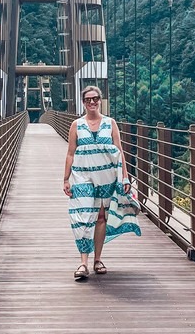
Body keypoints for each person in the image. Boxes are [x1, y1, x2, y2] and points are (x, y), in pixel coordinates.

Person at [62, 85, 141, 280]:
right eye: (88, 99)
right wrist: (65, 178)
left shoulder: (110, 123)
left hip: (106, 176)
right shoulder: (76, 125)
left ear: (100, 100)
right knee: (83, 215)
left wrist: (125, 177)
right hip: (82, 176)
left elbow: (119, 151)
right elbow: (70, 153)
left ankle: (97, 260)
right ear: (83, 102)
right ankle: (83, 262)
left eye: (95, 98)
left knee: (100, 217)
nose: (92, 102)